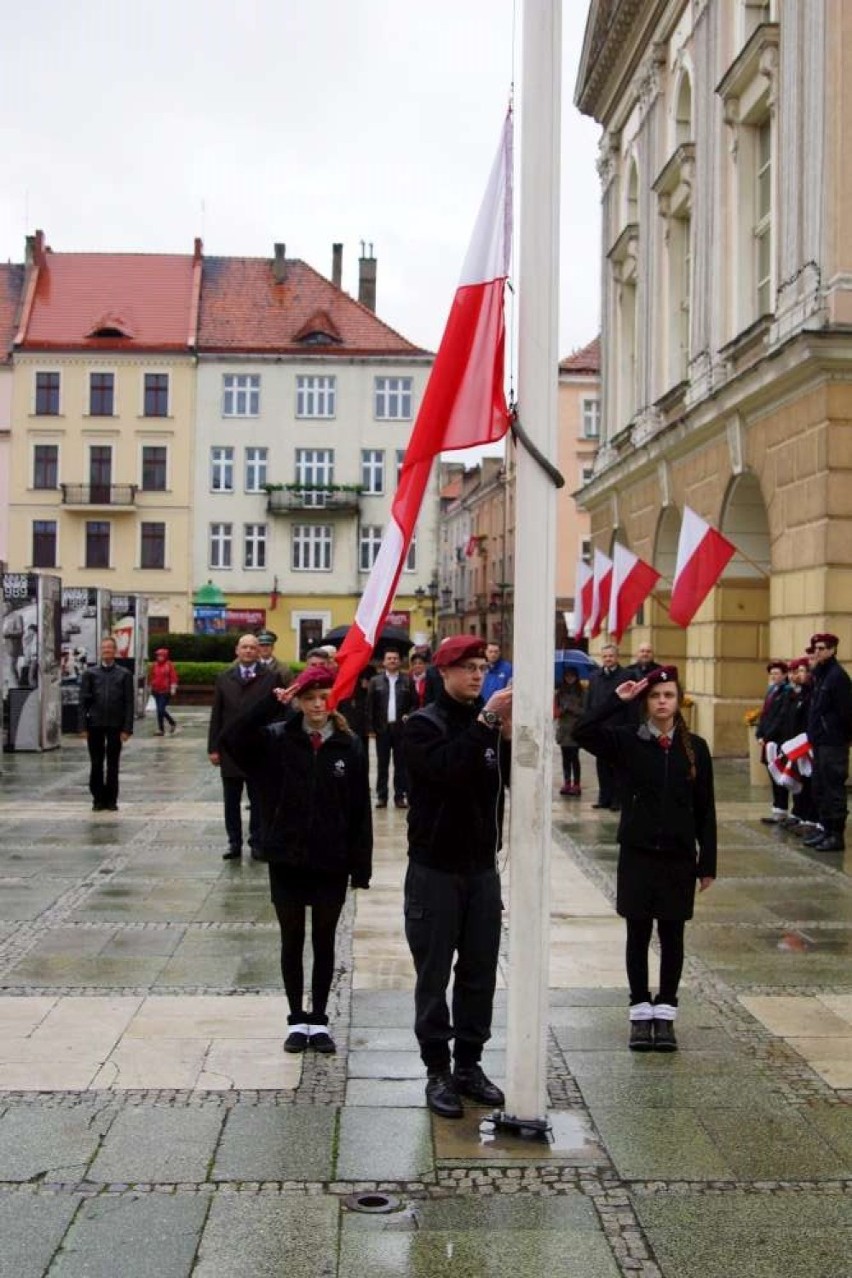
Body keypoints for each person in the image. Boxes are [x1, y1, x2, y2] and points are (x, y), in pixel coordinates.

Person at [221, 667, 372, 1054]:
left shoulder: (348, 744)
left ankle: (319, 1020)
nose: (318, 705)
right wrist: (271, 703)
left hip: (331, 860)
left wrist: (361, 864)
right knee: (292, 939)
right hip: (286, 857)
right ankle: (296, 1020)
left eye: (323, 697)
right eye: (309, 698)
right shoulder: (277, 738)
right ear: (299, 702)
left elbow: (359, 808)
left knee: (324, 941)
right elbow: (232, 739)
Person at [575, 666, 716, 1052]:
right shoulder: (627, 740)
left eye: (668, 695)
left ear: (678, 700)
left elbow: (706, 809)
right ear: (645, 702)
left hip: (679, 858)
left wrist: (708, 863)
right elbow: (581, 732)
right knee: (637, 936)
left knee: (672, 936)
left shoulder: (696, 748)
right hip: (637, 855)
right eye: (654, 696)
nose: (662, 702)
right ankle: (640, 1013)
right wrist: (614, 700)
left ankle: (666, 1014)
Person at [403, 635, 513, 1119]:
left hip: (480, 870)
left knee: (479, 973)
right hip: (435, 871)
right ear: (443, 672)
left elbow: (499, 781)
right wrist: (488, 720)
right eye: (466, 667)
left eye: (480, 667)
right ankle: (437, 1070)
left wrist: (505, 736)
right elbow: (446, 772)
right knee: (433, 975)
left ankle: (469, 1064)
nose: (476, 675)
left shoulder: (485, 727)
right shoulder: (421, 726)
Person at [207, 633, 283, 860]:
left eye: (253, 647)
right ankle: (234, 842)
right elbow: (216, 714)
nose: (249, 651)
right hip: (230, 748)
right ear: (237, 651)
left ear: (259, 651)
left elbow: (277, 715)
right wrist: (213, 747)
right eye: (244, 647)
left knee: (258, 799)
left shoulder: (271, 678)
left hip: (258, 749)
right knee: (231, 800)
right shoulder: (224, 678)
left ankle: (257, 841)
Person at [802, 633, 852, 852]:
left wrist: (843, 737)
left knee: (834, 790)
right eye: (815, 649)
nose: (818, 652)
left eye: (822, 648)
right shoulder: (820, 675)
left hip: (833, 742)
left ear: (832, 650)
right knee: (819, 787)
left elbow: (847, 712)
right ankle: (825, 829)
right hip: (820, 741)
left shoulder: (837, 677)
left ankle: (836, 835)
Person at [79, 635, 135, 812]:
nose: (107, 652)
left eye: (110, 648)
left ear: (115, 651)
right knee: (96, 763)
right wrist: (82, 726)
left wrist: (127, 728)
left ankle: (111, 799)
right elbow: (83, 702)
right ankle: (97, 798)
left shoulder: (124, 674)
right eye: (104, 649)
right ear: (100, 651)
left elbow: (129, 703)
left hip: (115, 724)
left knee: (113, 764)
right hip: (95, 724)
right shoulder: (90, 674)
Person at [584, 643, 630, 809]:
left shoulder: (627, 675)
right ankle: (604, 798)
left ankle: (618, 800)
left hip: (619, 728)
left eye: (611, 656)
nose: (608, 659)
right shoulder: (594, 676)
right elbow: (589, 702)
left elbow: (631, 704)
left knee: (618, 766)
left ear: (617, 657)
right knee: (602, 765)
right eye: (605, 656)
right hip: (600, 729)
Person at [367, 650, 414, 808]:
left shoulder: (408, 681)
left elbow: (415, 703)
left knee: (401, 765)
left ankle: (400, 797)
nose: (393, 661)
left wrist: (410, 715)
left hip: (401, 729)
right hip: (382, 729)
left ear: (400, 661)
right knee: (382, 765)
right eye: (389, 658)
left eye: (395, 658)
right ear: (384, 662)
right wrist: (371, 727)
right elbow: (370, 707)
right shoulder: (375, 681)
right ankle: (382, 796)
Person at [756, 661, 793, 823]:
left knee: (780, 775)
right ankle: (778, 808)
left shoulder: (787, 692)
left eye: (777, 673)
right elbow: (765, 715)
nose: (773, 676)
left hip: (777, 741)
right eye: (771, 674)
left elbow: (781, 718)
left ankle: (782, 810)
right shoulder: (772, 691)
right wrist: (759, 733)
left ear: (785, 675)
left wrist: (767, 736)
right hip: (767, 740)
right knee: (772, 773)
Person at [554, 665, 585, 796]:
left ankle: (576, 784)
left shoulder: (582, 692)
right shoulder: (560, 692)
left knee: (574, 758)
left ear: (576, 677)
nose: (569, 679)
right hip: (563, 729)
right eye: (567, 676)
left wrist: (571, 708)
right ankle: (567, 782)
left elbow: (584, 711)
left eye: (572, 676)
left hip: (575, 729)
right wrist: (561, 710)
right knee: (565, 758)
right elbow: (555, 711)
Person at [149, 647, 179, 736]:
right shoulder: (154, 665)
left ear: (165, 656)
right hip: (156, 691)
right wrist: (150, 686)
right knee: (159, 710)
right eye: (158, 656)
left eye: (161, 656)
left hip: (165, 691)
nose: (159, 657)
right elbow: (152, 676)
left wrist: (173, 687)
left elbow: (173, 676)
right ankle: (165, 727)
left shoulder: (169, 665)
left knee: (160, 710)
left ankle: (167, 725)